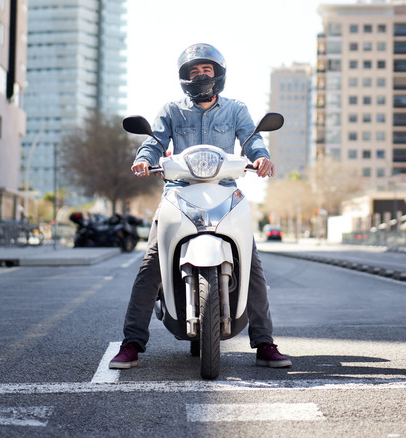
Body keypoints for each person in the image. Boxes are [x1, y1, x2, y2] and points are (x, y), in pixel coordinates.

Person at [109, 43, 291, 370]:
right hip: (179, 192)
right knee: (151, 265)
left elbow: (253, 139)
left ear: (218, 74)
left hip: (224, 192)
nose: (200, 76)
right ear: (184, 78)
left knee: (251, 264)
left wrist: (261, 157)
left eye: (206, 70)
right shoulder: (171, 110)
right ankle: (132, 343)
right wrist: (143, 160)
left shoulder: (235, 109)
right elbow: (154, 141)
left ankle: (264, 342)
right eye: (193, 71)